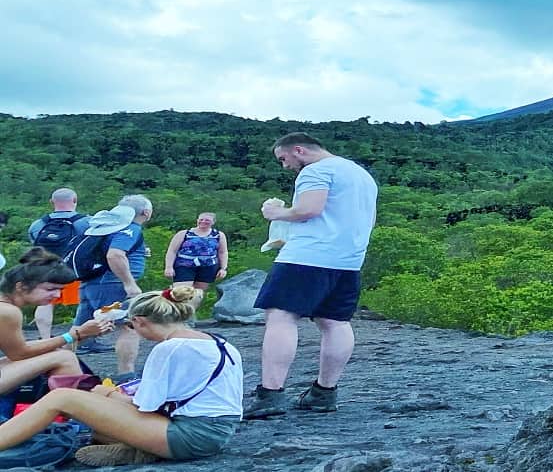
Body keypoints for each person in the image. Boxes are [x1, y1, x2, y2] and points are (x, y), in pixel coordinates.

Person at [0, 285, 242, 466]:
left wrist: (106, 393)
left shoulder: (169, 348)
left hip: (190, 435)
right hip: (215, 432)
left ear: (138, 321)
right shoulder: (219, 343)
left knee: (62, 398)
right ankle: (137, 449)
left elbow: (144, 406)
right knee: (94, 419)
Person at [244, 133, 378, 419]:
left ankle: (270, 395)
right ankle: (324, 393)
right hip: (349, 260)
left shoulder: (317, 170)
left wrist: (276, 213)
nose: (285, 166)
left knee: (280, 317)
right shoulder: (360, 174)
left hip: (307, 256)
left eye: (284, 159)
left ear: (299, 150)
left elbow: (308, 210)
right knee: (335, 322)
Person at [0, 250, 115, 393]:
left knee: (55, 352)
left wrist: (80, 335)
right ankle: (75, 408)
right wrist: (72, 335)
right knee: (64, 357)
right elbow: (19, 354)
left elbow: (19, 349)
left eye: (60, 290)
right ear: (21, 286)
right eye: (51, 289)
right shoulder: (7, 311)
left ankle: (64, 407)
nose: (57, 295)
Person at [72, 197, 155, 375]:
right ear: (146, 213)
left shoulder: (103, 226)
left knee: (80, 330)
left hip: (91, 281)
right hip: (112, 283)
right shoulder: (130, 228)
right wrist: (130, 284)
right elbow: (115, 255)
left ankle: (52, 366)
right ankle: (126, 374)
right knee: (129, 325)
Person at [25, 188, 87, 341]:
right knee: (86, 302)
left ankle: (45, 337)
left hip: (46, 268)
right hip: (75, 269)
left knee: (46, 302)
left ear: (52, 202)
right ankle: (84, 338)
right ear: (75, 200)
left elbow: (35, 245)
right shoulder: (85, 222)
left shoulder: (38, 224)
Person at [163, 213, 229, 322]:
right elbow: (172, 251)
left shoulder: (218, 235)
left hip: (208, 266)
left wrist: (223, 268)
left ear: (213, 222)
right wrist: (169, 267)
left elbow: (223, 252)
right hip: (185, 265)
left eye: (207, 220)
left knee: (197, 294)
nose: (203, 222)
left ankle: (188, 317)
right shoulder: (185, 233)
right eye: (201, 219)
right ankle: (173, 315)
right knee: (180, 292)